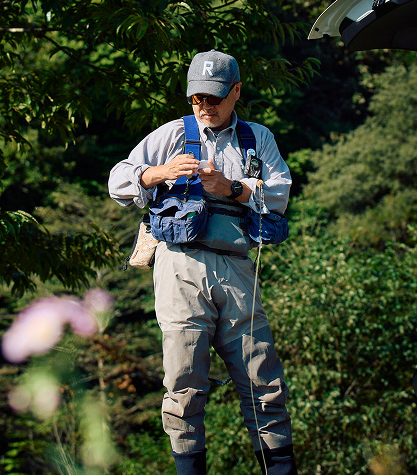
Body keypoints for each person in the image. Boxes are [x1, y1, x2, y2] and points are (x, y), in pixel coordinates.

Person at [108, 50, 298, 475]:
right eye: (197, 99)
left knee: (263, 381)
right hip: (179, 266)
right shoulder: (172, 134)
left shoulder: (258, 138)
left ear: (235, 92)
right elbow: (117, 180)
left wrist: (229, 187)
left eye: (214, 98)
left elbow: (280, 195)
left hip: (237, 268)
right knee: (184, 382)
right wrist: (156, 174)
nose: (205, 107)